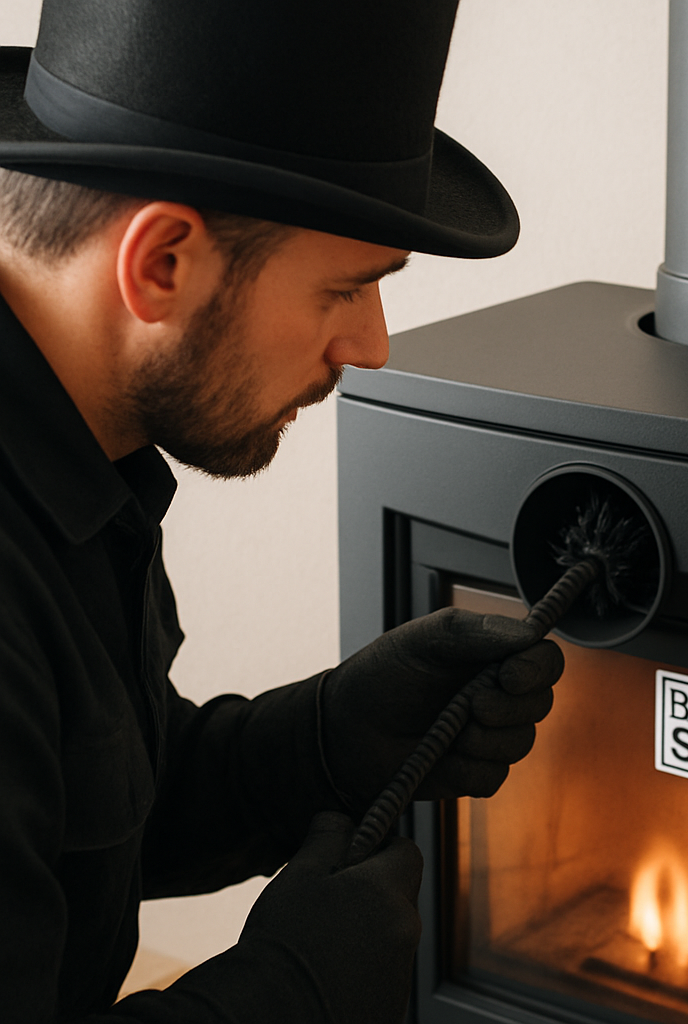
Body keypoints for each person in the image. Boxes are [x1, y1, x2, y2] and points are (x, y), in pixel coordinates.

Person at [0, 2, 564, 1022]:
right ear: (162, 262)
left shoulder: (80, 452)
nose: (372, 345)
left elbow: (76, 809)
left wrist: (323, 739)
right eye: (344, 289)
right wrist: (292, 992)